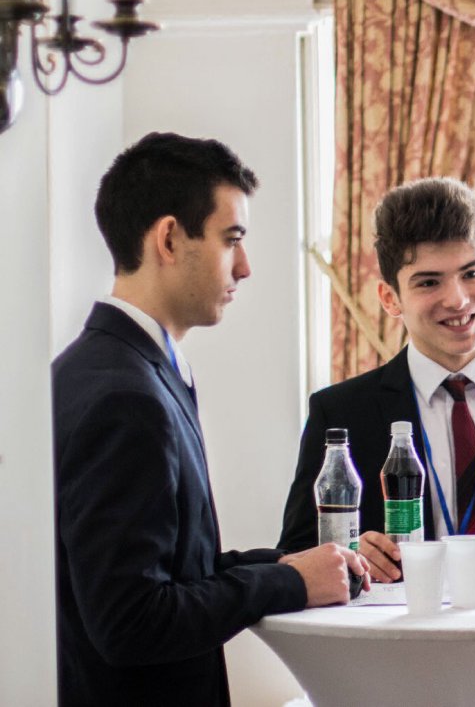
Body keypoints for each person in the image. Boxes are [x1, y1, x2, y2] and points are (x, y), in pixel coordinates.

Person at [52, 133, 367, 707]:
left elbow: (175, 571)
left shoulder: (125, 368)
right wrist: (289, 583)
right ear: (170, 239)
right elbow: (131, 619)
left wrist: (288, 564)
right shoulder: (124, 396)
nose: (245, 267)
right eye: (232, 239)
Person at [278, 177, 475, 579]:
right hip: (395, 618)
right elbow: (294, 553)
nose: (458, 299)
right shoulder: (339, 413)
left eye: (471, 273)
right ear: (390, 298)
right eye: (428, 282)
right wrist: (349, 552)